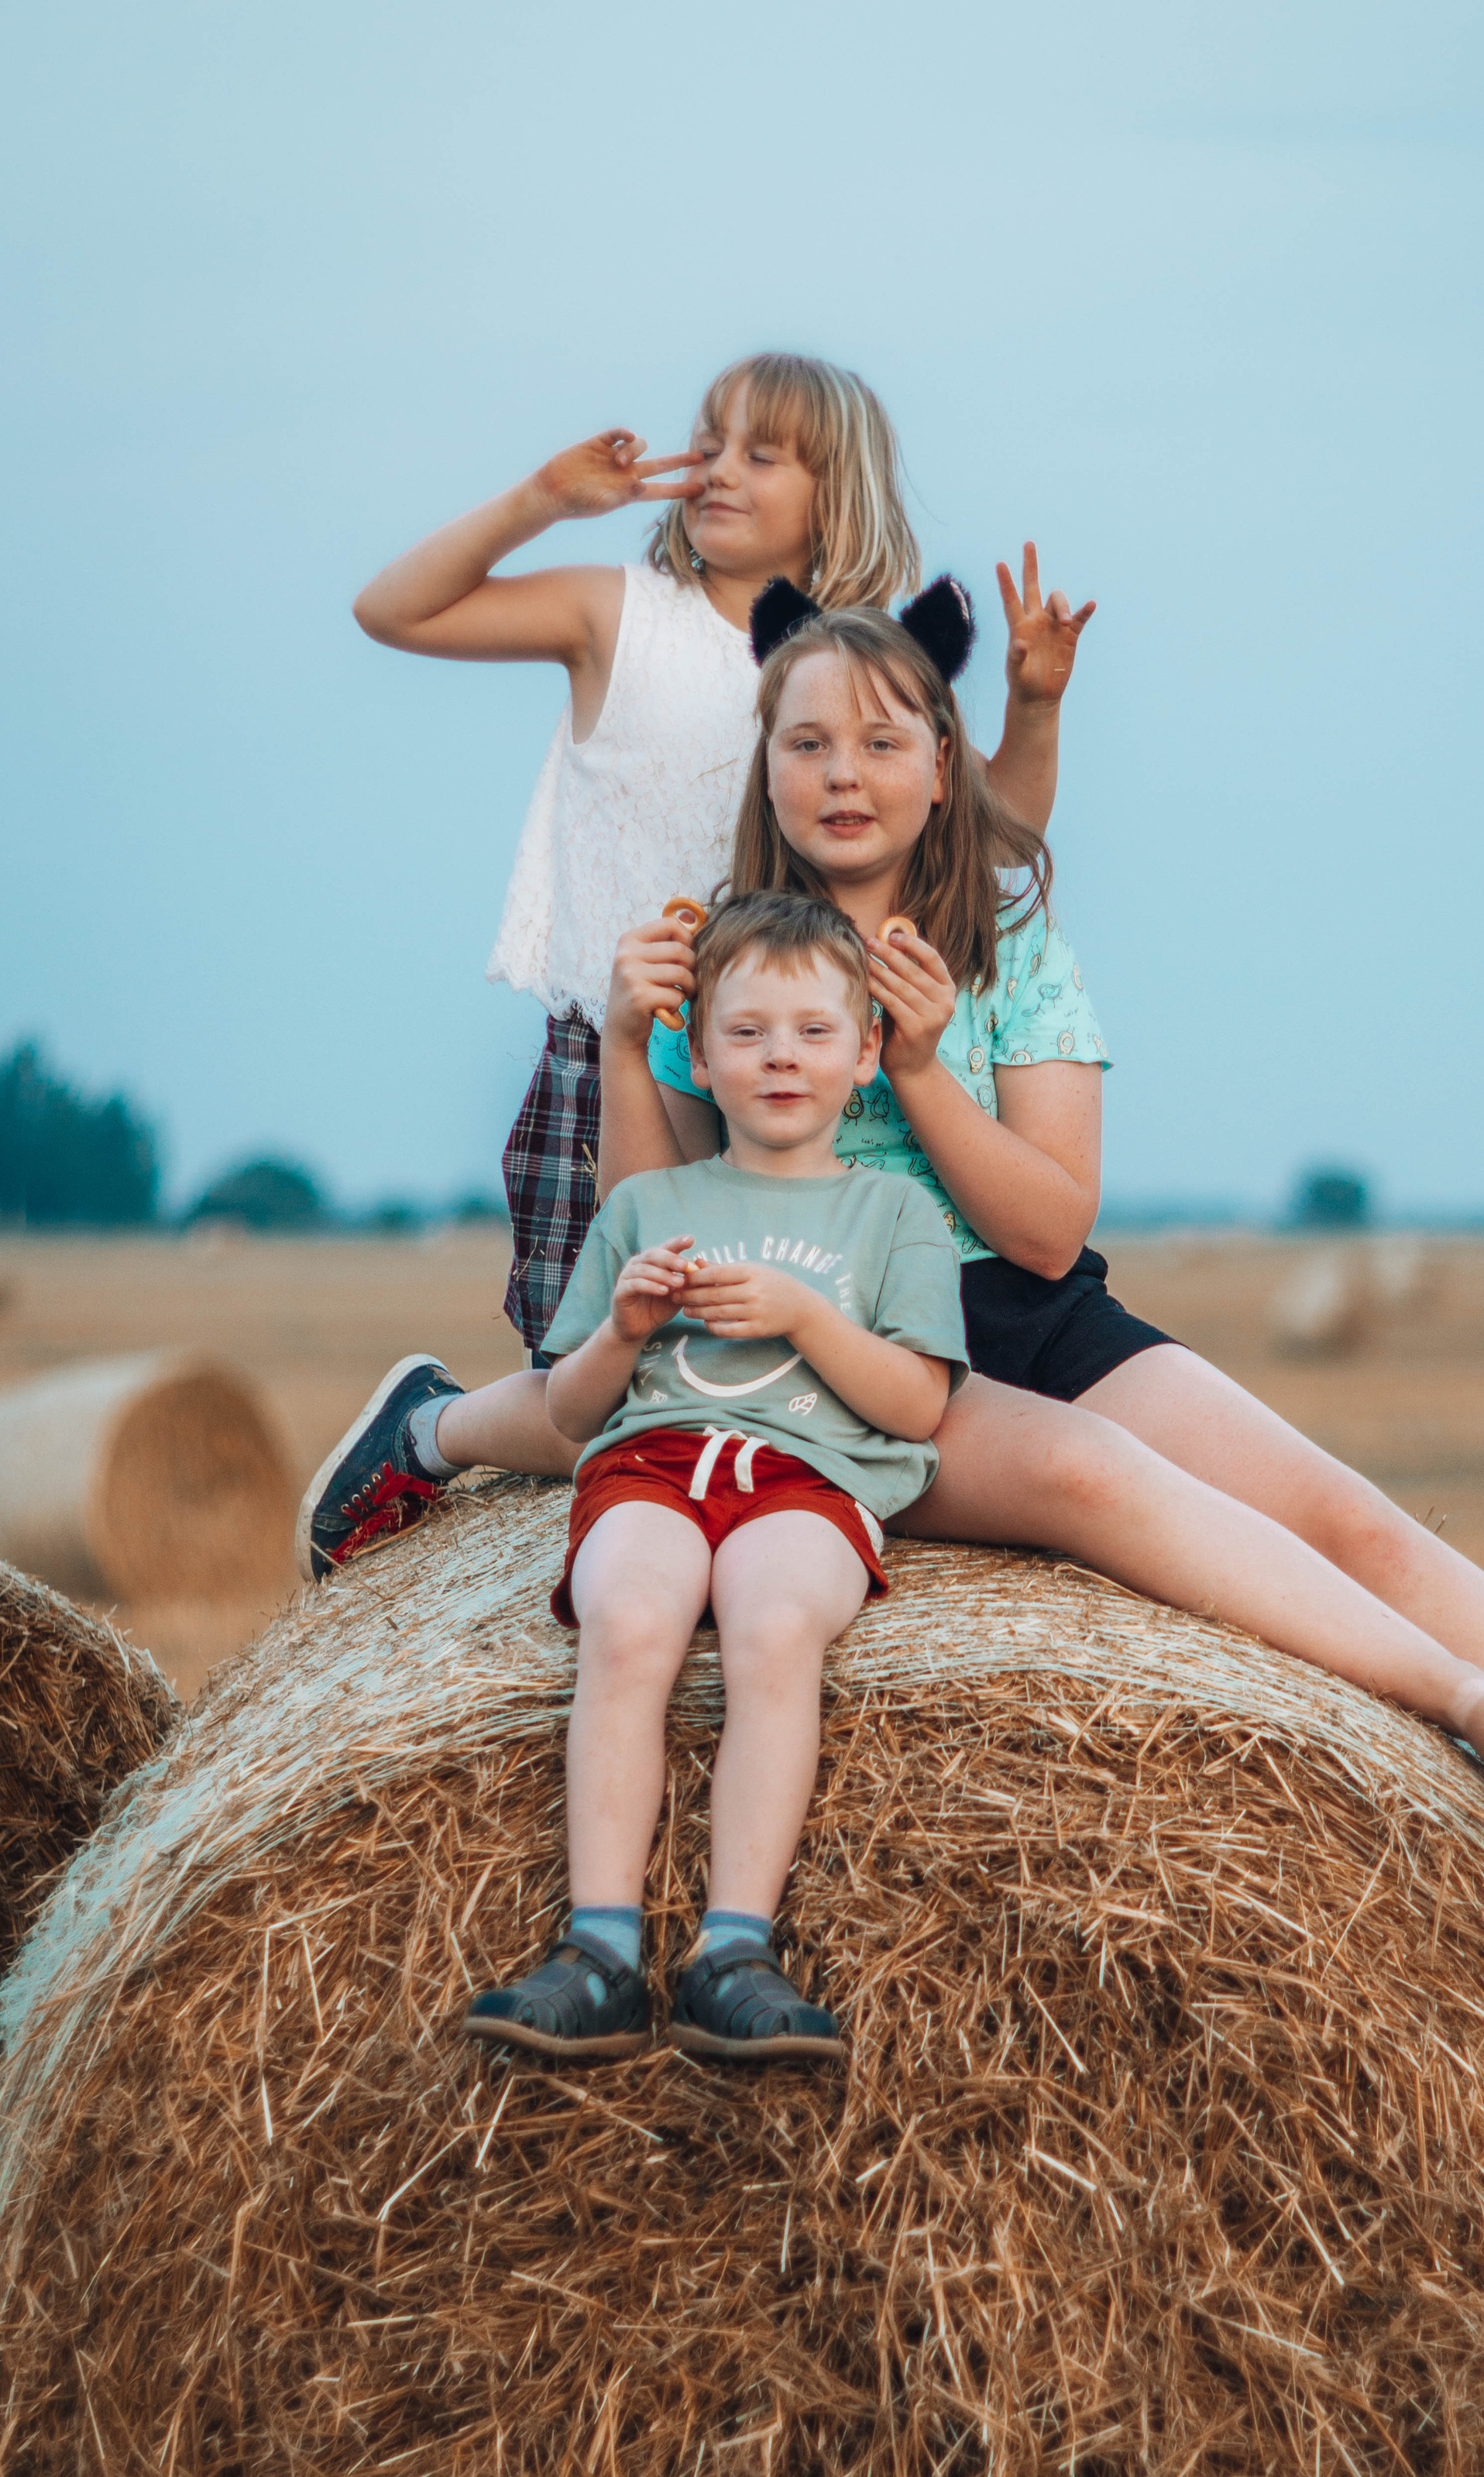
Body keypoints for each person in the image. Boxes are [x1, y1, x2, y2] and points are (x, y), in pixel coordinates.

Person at [494, 584, 1484, 1970]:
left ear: (943, 768)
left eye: (879, 742)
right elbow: (649, 1217)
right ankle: (1458, 1697)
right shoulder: (733, 966)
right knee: (1102, 1481)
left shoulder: (1009, 949)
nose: (842, 774)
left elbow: (1047, 1229)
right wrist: (629, 1044)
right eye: (805, 745)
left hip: (1029, 1304)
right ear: (766, 768)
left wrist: (919, 1070)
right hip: (852, 1352)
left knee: (1351, 1515)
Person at [297, 350, 1090, 1570]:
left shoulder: (856, 661)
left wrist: (1032, 711)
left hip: (789, 1064)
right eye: (708, 443)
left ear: (840, 492)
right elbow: (391, 611)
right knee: (610, 1380)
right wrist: (540, 503)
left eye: (760, 453)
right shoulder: (621, 615)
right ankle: (434, 1432)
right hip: (629, 1038)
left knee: (757, 1372)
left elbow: (991, 838)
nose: (715, 469)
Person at [463, 893, 967, 2070]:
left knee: (775, 1622)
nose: (780, 1055)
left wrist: (802, 1315)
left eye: (809, 1031)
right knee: (630, 1619)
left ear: (866, 1053)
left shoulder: (896, 1211)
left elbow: (919, 1405)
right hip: (652, 1461)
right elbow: (572, 1411)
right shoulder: (648, 1206)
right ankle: (599, 1952)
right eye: (746, 1033)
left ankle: (734, 1952)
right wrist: (623, 1329)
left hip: (806, 1474)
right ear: (699, 1048)